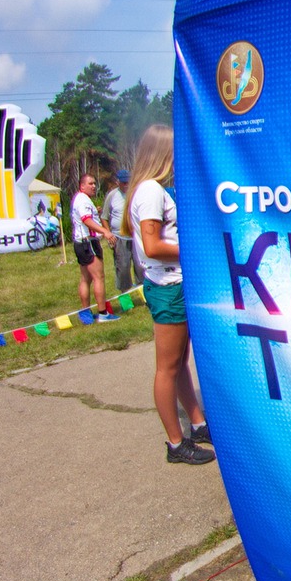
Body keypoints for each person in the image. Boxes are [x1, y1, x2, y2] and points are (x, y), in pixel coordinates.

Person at [123, 124, 214, 466]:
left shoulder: (153, 189)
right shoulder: (150, 191)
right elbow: (152, 246)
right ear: (162, 152)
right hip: (168, 287)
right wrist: (195, 249)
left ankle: (197, 424)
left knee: (178, 364)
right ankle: (176, 443)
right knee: (167, 368)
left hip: (173, 284)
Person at [71, 174, 120, 320]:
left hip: (80, 242)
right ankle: (103, 313)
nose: (94, 186)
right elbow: (86, 220)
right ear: (82, 186)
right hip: (88, 242)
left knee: (85, 279)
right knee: (99, 277)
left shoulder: (80, 199)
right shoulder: (83, 200)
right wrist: (105, 231)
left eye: (94, 183)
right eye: (90, 184)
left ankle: (86, 314)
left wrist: (95, 212)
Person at [103, 169, 142, 292]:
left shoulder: (136, 194)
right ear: (118, 182)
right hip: (119, 237)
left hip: (135, 236)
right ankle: (125, 297)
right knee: (123, 268)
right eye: (124, 183)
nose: (126, 185)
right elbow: (104, 217)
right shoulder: (112, 195)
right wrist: (108, 234)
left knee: (140, 267)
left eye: (128, 182)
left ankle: (145, 295)